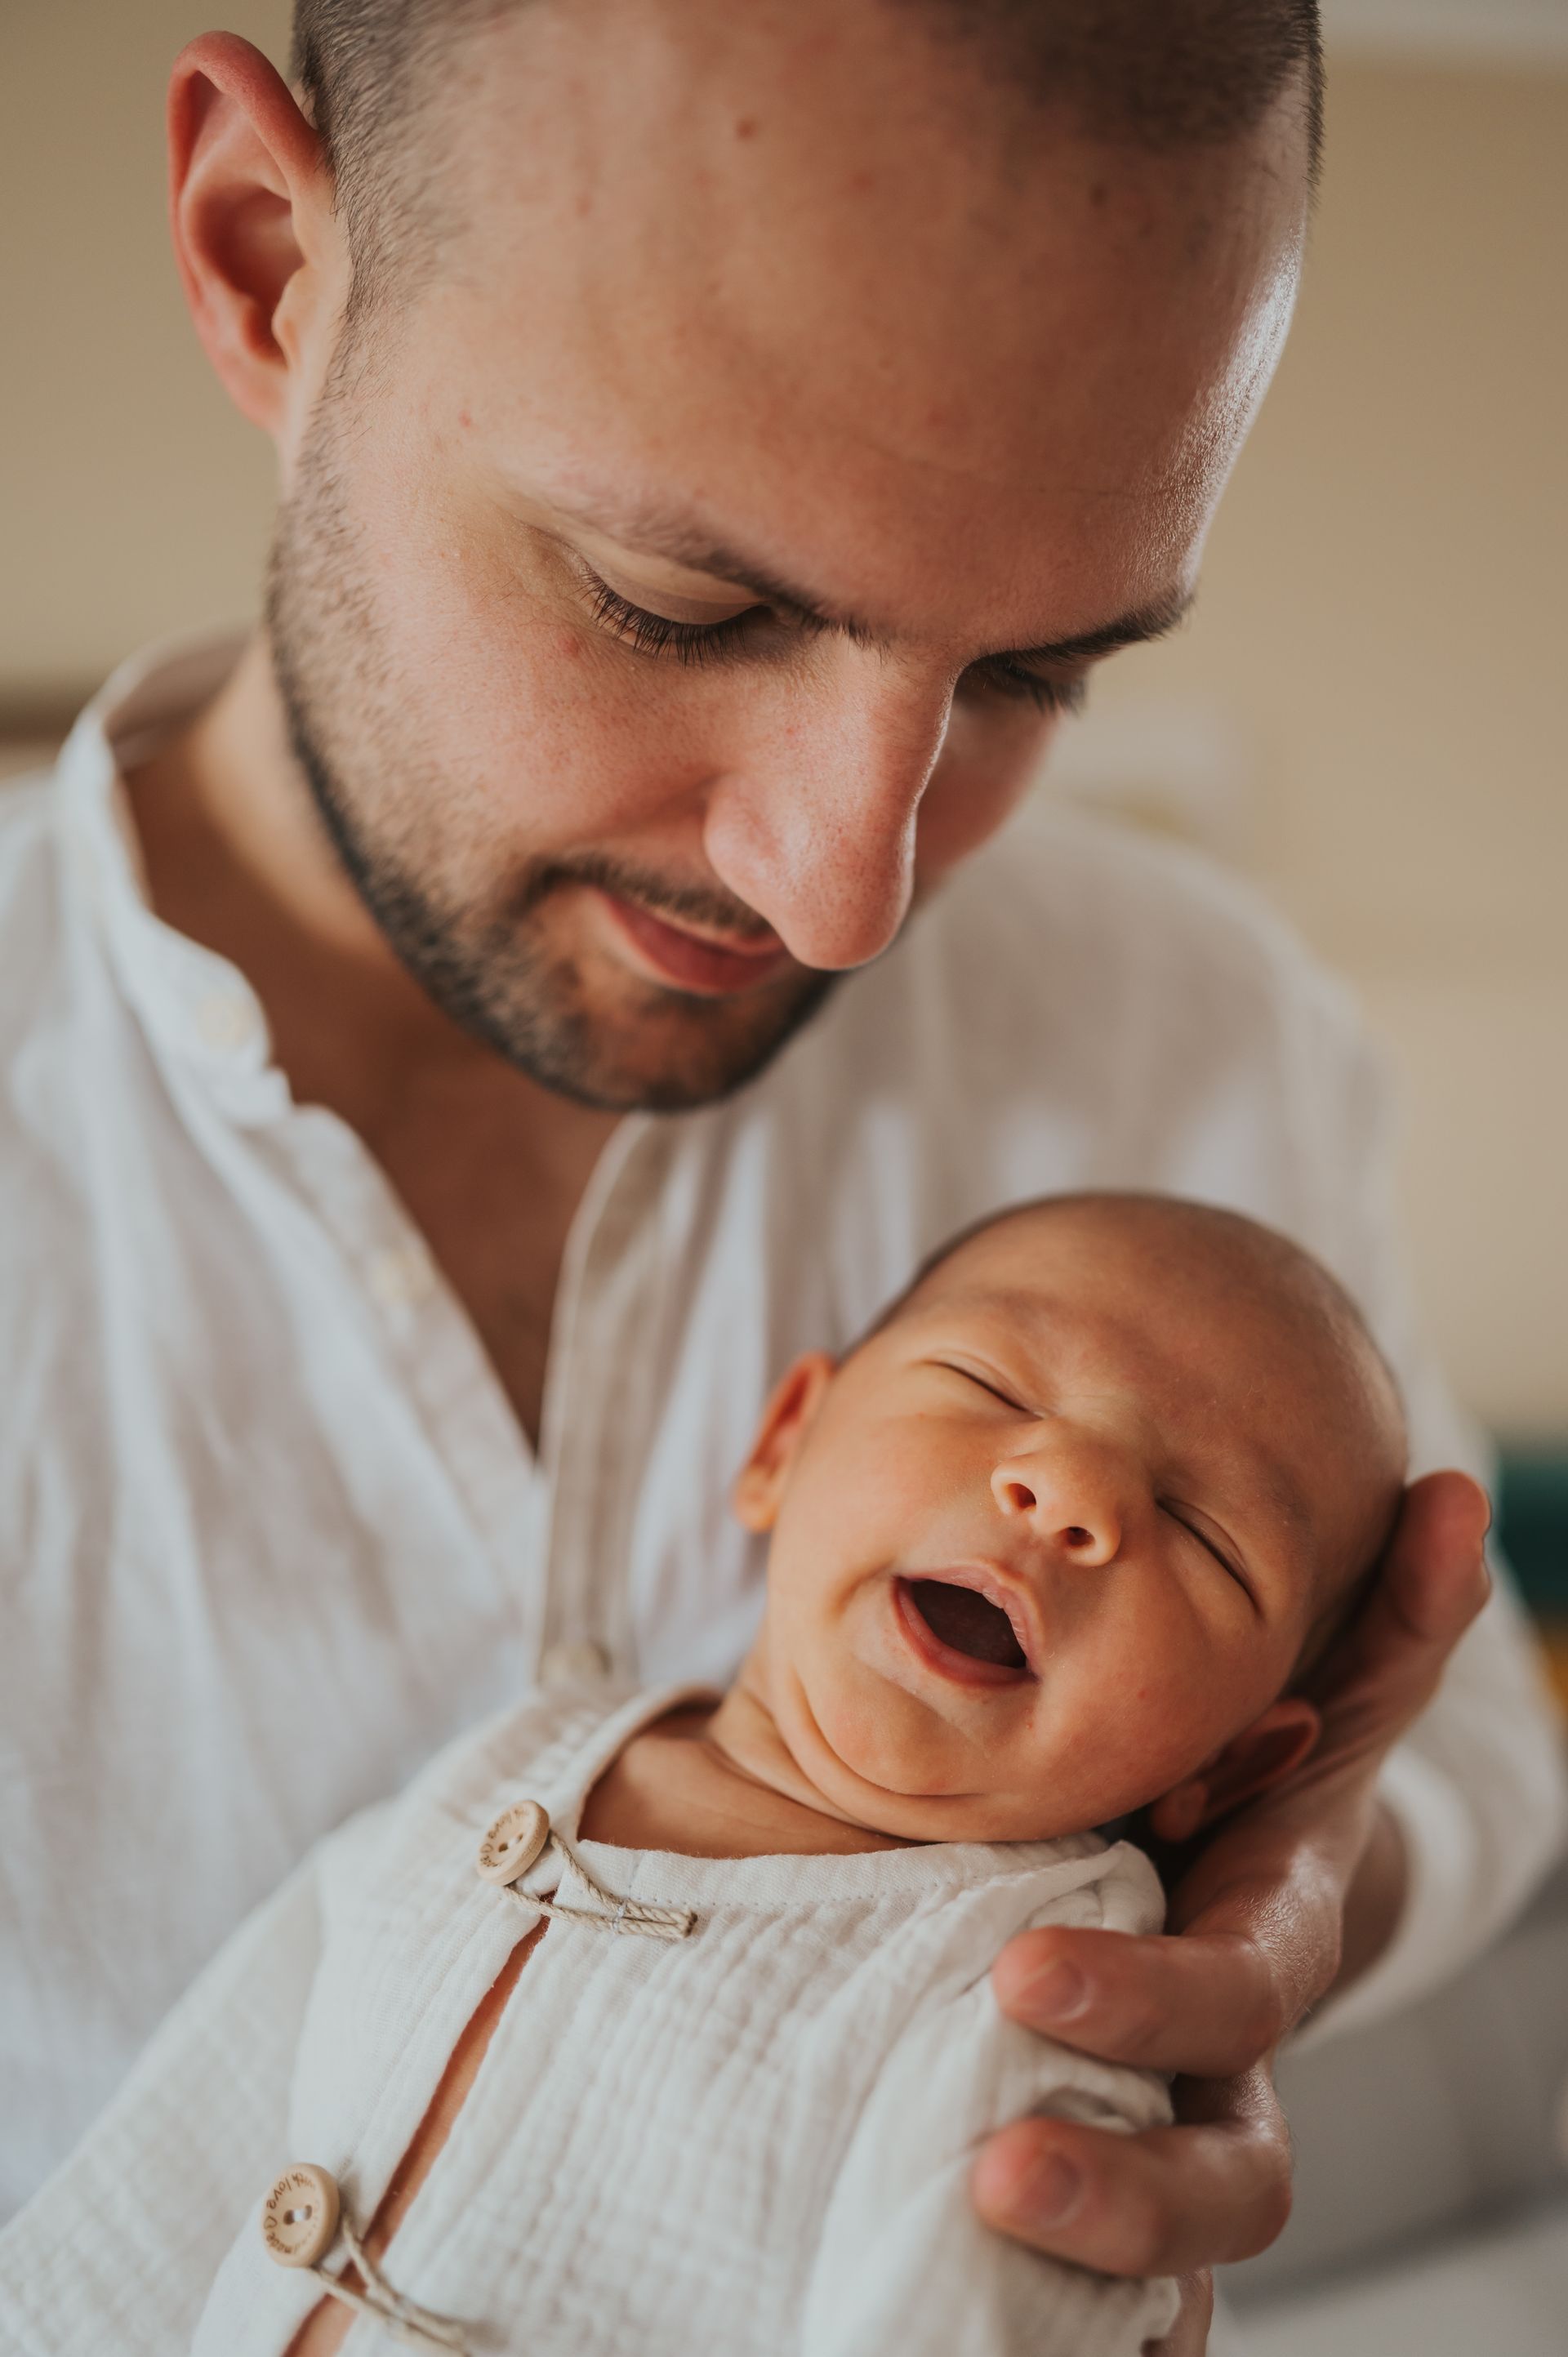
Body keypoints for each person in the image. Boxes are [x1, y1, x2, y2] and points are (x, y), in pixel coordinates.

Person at [0, 0, 1561, 2343]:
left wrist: (1284, 1888)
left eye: (1038, 674)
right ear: (268, 267)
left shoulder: (1198, 1029)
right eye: (684, 603)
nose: (847, 896)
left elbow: (1474, 1743)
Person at [3, 1196, 1419, 2357]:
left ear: (1233, 1760)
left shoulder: (1039, 1979)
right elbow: (179, 2155)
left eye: (1205, 1532)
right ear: (782, 1443)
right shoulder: (519, 1761)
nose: (1069, 1490)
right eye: (990, 1385)